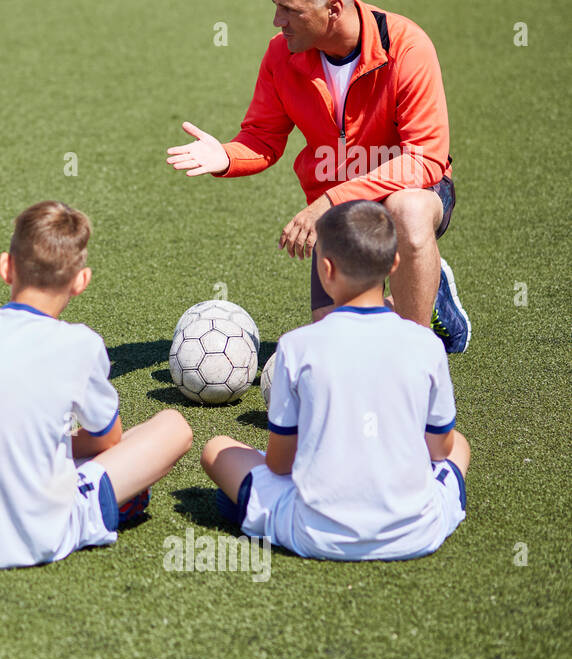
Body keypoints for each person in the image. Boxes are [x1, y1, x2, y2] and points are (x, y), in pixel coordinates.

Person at [166, 0, 471, 352]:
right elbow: (262, 138)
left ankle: (414, 355)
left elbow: (424, 158)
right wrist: (225, 155)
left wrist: (329, 200)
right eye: (276, 6)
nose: (277, 21)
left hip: (410, 191)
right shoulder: (281, 55)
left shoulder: (407, 46)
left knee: (407, 211)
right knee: (337, 343)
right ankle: (421, 289)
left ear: (333, 9)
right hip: (340, 210)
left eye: (290, 10)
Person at [0, 201, 193, 573]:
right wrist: (46, 444)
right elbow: (108, 442)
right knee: (173, 427)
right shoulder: (82, 344)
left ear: (6, 266)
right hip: (39, 534)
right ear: (81, 281)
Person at [201, 200, 470, 561]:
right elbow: (439, 450)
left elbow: (281, 465)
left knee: (216, 449)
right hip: (415, 533)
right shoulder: (426, 344)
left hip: (312, 532)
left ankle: (254, 504)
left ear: (326, 269)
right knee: (460, 446)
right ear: (394, 264)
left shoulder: (296, 346)